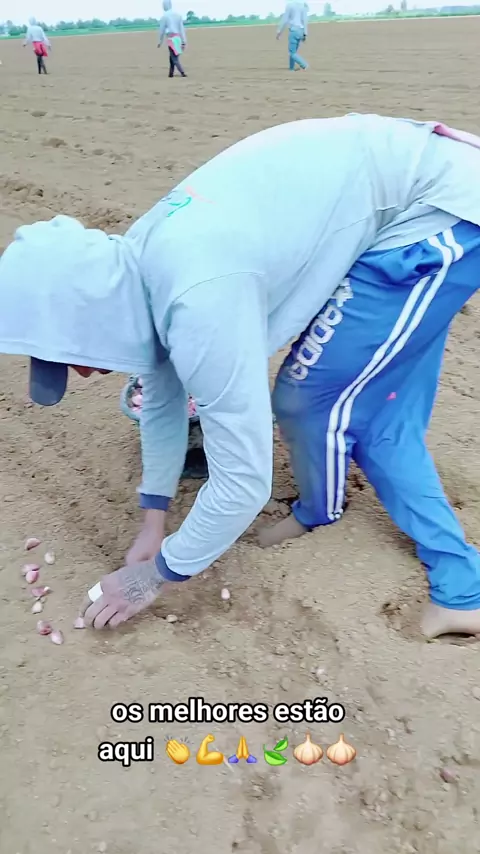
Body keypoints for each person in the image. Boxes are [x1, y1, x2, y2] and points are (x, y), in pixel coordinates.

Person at [2, 113, 480, 639]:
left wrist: (153, 576)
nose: (83, 373)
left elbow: (244, 483)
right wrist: (154, 519)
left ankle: (460, 592)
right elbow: (161, 398)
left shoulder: (199, 300)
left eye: (69, 355)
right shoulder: (134, 267)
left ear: (90, 315)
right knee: (375, 406)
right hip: (407, 192)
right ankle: (326, 516)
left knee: (318, 401)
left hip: (437, 209)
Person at [158, 0, 187, 79]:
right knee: (172, 56)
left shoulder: (164, 17)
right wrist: (184, 41)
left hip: (171, 39)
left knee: (174, 58)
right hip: (178, 38)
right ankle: (171, 73)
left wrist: (160, 41)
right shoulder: (178, 15)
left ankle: (182, 72)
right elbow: (182, 29)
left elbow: (161, 30)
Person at [277, 1, 308, 71]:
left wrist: (279, 32)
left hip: (294, 31)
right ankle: (291, 68)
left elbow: (285, 20)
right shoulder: (303, 5)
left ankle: (304, 65)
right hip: (301, 31)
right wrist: (305, 33)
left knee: (292, 53)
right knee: (294, 52)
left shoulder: (290, 5)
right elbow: (305, 20)